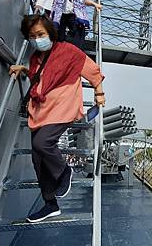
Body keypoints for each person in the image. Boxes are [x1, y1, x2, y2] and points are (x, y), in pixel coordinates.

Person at [9, 14, 105, 223]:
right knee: (38, 159)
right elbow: (39, 79)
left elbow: (93, 72)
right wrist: (24, 69)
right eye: (32, 36)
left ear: (50, 33)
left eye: (41, 34)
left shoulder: (69, 52)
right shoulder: (35, 57)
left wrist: (99, 94)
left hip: (62, 106)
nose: (37, 39)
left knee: (43, 143)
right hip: (42, 109)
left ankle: (64, 171)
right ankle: (50, 204)